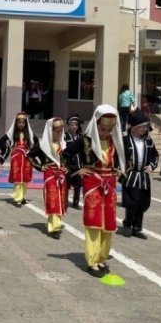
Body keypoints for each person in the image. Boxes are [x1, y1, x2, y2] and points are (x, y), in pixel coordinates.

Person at [64, 104, 125, 278]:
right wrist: (77, 170)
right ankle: (92, 261)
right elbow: (65, 153)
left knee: (108, 223)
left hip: (110, 185)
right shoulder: (85, 140)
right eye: (103, 128)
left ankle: (102, 258)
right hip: (93, 184)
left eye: (109, 129)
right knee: (94, 222)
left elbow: (123, 158)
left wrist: (119, 170)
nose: (106, 132)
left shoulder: (116, 141)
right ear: (96, 125)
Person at [30, 117, 69, 239]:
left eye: (60, 130)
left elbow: (69, 159)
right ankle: (54, 228)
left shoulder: (63, 144)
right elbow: (30, 156)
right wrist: (39, 166)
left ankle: (54, 224)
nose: (59, 133)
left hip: (61, 175)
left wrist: (67, 167)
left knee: (60, 200)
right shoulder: (42, 145)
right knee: (53, 200)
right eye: (56, 130)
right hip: (50, 175)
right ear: (49, 130)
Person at [122, 110, 158, 239]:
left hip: (143, 176)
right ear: (134, 127)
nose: (143, 129)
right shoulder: (125, 140)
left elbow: (155, 155)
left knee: (142, 202)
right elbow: (119, 156)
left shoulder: (148, 141)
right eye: (141, 126)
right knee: (131, 201)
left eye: (145, 127)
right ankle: (127, 225)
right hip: (131, 176)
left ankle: (137, 227)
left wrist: (152, 166)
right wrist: (122, 170)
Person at [5, 111, 38, 207]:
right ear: (16, 123)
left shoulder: (30, 134)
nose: (21, 124)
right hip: (17, 157)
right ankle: (18, 199)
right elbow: (2, 141)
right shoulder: (12, 133)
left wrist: (32, 152)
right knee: (18, 179)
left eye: (23, 122)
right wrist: (9, 147)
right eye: (19, 122)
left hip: (26, 157)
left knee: (25, 179)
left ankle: (22, 196)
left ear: (26, 123)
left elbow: (37, 144)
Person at [64, 115, 83, 209]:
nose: (74, 126)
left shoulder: (81, 137)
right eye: (72, 125)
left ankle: (76, 202)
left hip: (79, 165)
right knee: (66, 184)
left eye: (76, 124)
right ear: (68, 125)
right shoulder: (65, 136)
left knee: (78, 185)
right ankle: (64, 201)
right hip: (68, 166)